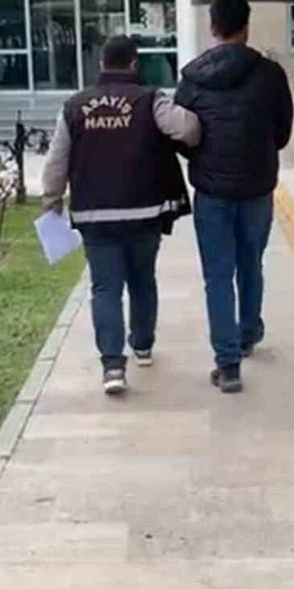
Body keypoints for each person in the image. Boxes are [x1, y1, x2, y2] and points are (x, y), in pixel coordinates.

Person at [42, 36, 201, 395]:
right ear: (134, 64)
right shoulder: (150, 99)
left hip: (94, 214)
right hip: (143, 211)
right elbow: (188, 130)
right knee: (142, 280)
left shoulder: (74, 106)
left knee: (105, 287)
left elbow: (57, 160)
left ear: (101, 64)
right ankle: (142, 345)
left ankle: (113, 366)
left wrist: (51, 201)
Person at [174, 0, 294, 394]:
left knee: (218, 275)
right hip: (257, 188)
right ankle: (247, 333)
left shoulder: (192, 79)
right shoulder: (271, 75)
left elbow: (181, 134)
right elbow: (282, 134)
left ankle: (228, 366)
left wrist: (203, 157)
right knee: (251, 262)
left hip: (211, 192)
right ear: (246, 27)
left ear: (213, 28)